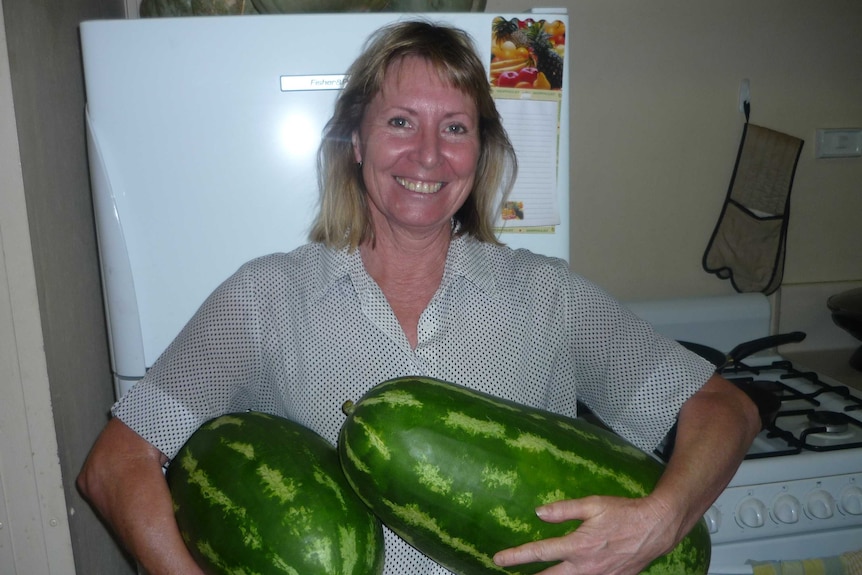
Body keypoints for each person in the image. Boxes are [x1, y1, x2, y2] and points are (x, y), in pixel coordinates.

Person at [77, 20, 759, 575]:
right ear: (355, 142)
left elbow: (723, 408)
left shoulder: (547, 295)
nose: (428, 155)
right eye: (401, 122)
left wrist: (660, 518)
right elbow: (115, 464)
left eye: (455, 128)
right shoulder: (267, 296)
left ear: (479, 152)